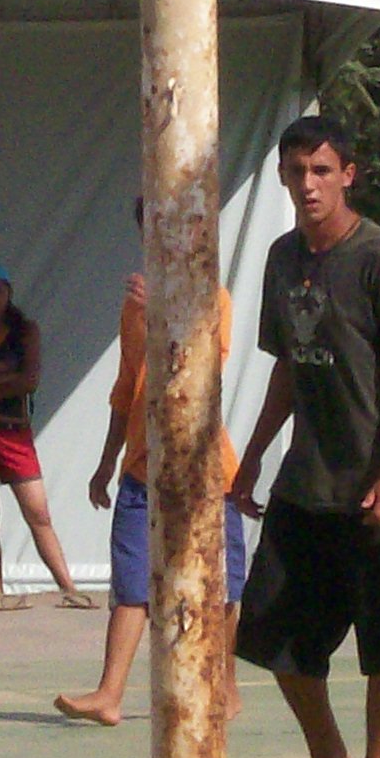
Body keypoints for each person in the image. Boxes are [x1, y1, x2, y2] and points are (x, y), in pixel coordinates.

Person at [228, 117, 380, 758]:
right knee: (274, 636)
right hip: (304, 483)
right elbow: (288, 364)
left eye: (321, 170)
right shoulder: (283, 260)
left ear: (348, 174)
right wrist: (253, 453)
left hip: (375, 490)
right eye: (296, 172)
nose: (308, 185)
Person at [62, 219, 247, 724]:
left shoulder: (214, 298)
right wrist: (107, 460)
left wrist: (163, 311)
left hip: (204, 470)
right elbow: (128, 386)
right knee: (131, 582)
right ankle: (109, 693)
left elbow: (203, 369)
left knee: (221, 586)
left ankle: (226, 686)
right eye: (151, 231)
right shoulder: (135, 306)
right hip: (143, 469)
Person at [0, 261, 87, 608]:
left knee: (38, 513)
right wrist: (3, 380)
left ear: (8, 293)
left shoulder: (25, 332)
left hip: (14, 431)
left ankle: (68, 587)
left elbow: (29, 381)